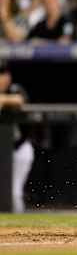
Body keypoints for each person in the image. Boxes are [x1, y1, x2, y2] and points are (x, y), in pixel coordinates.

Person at [0, 60, 34, 213]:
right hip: (2, 150)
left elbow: (20, 100)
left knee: (14, 192)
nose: (3, 78)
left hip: (19, 148)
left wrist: (3, 99)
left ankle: (19, 230)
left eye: (4, 74)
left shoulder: (15, 88)